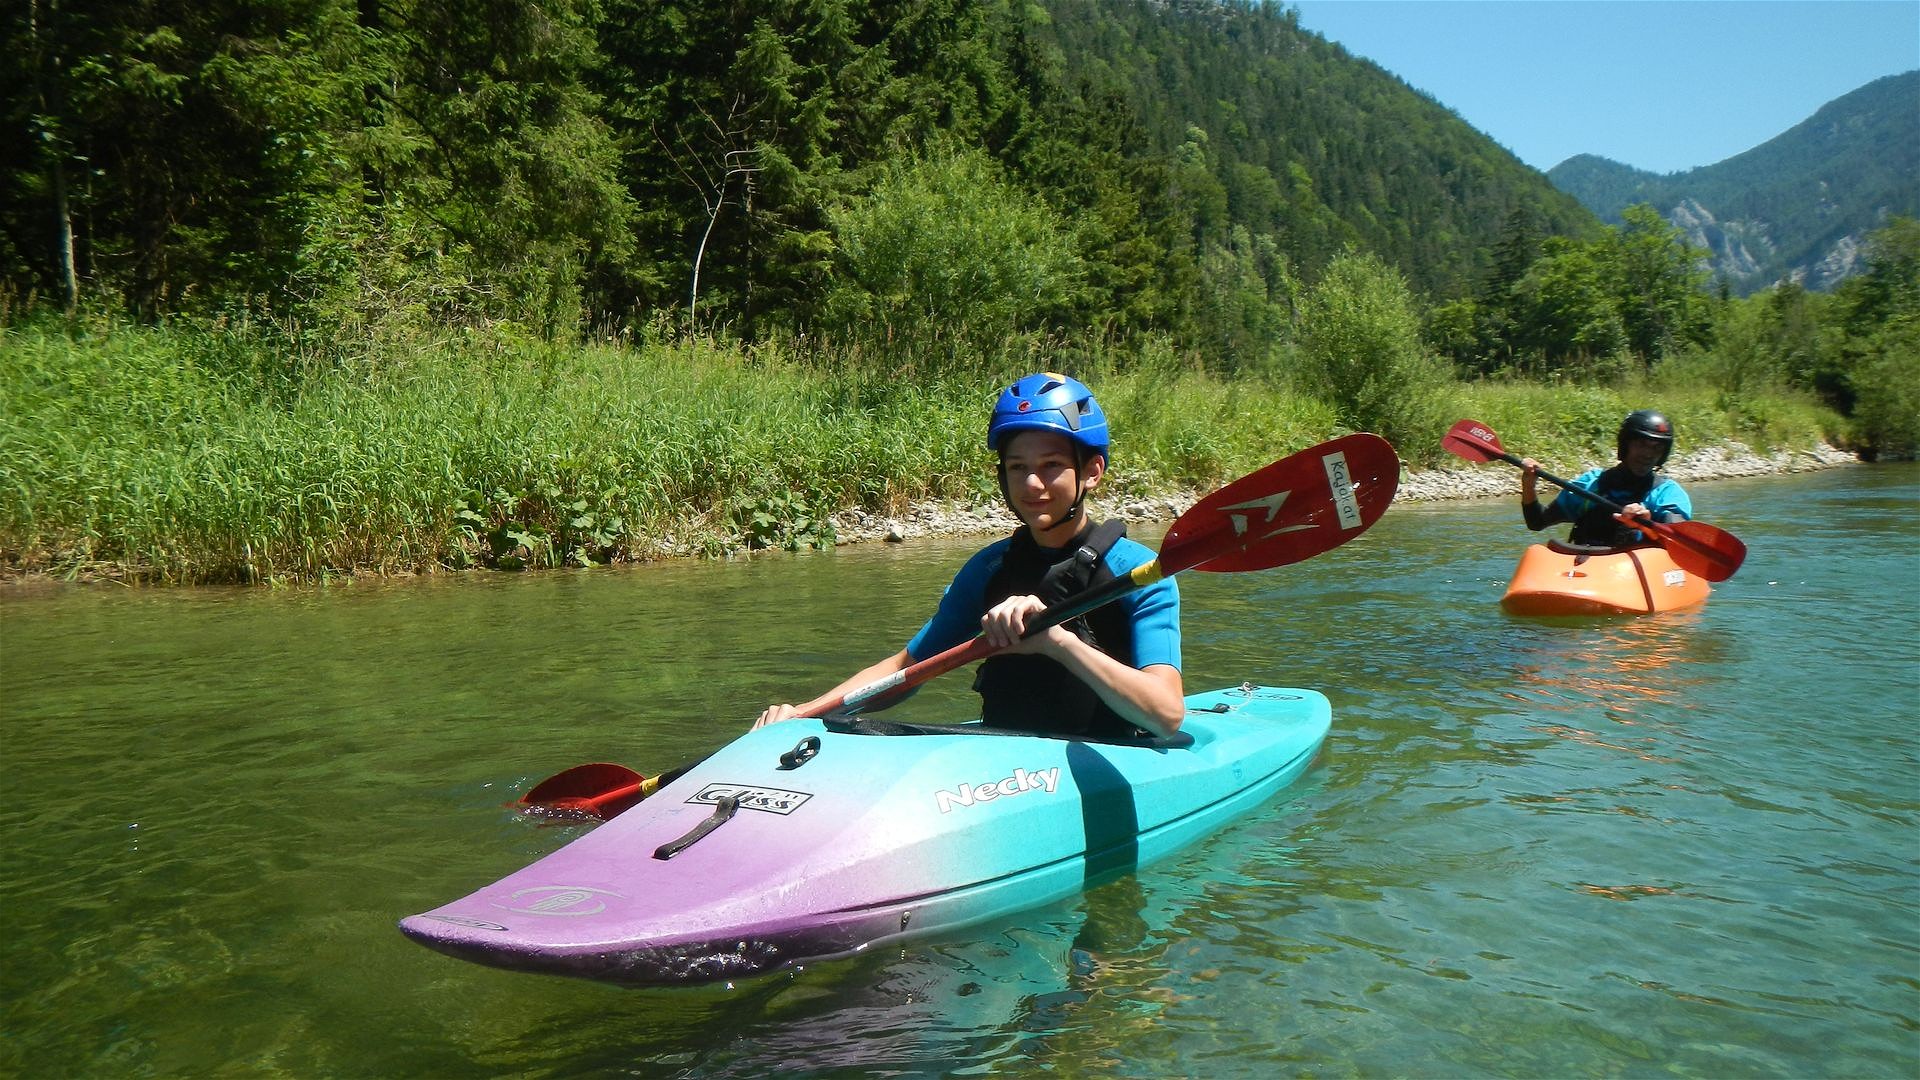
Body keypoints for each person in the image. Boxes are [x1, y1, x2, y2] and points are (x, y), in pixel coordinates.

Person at [754, 372, 1184, 739]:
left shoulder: (1140, 573)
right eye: (1017, 467)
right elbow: (907, 668)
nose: (1032, 483)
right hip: (1001, 762)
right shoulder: (989, 569)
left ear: (1091, 472)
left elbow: (1165, 715)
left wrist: (1058, 643)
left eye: (1051, 464)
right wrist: (805, 714)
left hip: (1116, 751)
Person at [1520, 409, 1693, 547]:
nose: (1649, 454)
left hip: (1636, 573)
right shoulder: (1590, 483)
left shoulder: (1667, 493)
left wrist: (1645, 526)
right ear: (1626, 445)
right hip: (1591, 569)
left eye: (1657, 448)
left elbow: (1680, 540)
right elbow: (1537, 522)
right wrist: (1528, 486)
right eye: (1641, 444)